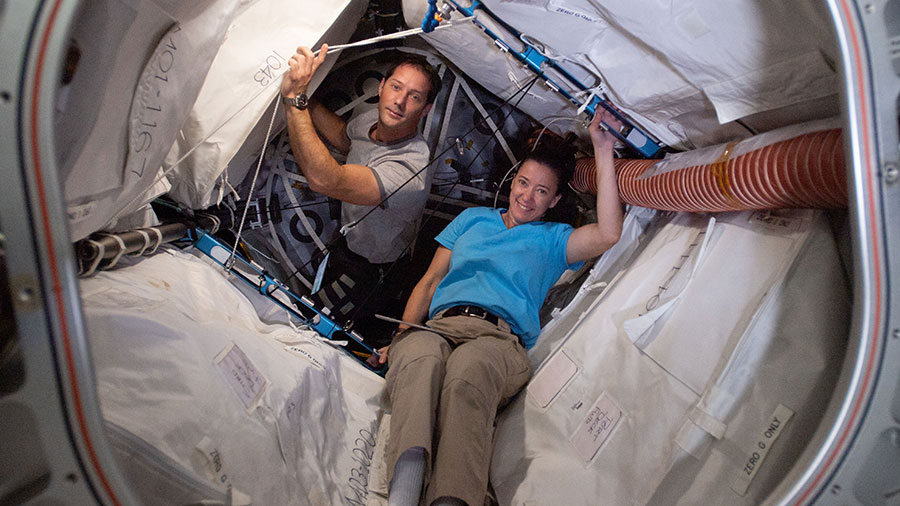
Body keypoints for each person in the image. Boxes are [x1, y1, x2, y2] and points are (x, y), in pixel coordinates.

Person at [368, 109, 625, 506]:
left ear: (554, 200)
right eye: (523, 183)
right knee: (420, 360)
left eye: (541, 191)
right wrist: (401, 335)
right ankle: (402, 493)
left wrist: (603, 150)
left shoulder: (554, 239)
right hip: (439, 326)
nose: (527, 195)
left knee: (467, 374)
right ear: (512, 182)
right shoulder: (473, 219)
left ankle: (451, 500)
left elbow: (609, 233)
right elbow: (431, 281)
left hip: (497, 340)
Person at [279, 44, 442, 326]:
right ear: (381, 87)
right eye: (395, 87)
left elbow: (325, 180)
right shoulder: (373, 120)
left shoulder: (410, 172)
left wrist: (295, 99)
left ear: (426, 109)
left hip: (374, 272)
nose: (399, 102)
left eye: (414, 97)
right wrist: (307, 94)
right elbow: (346, 138)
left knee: (307, 322)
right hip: (347, 245)